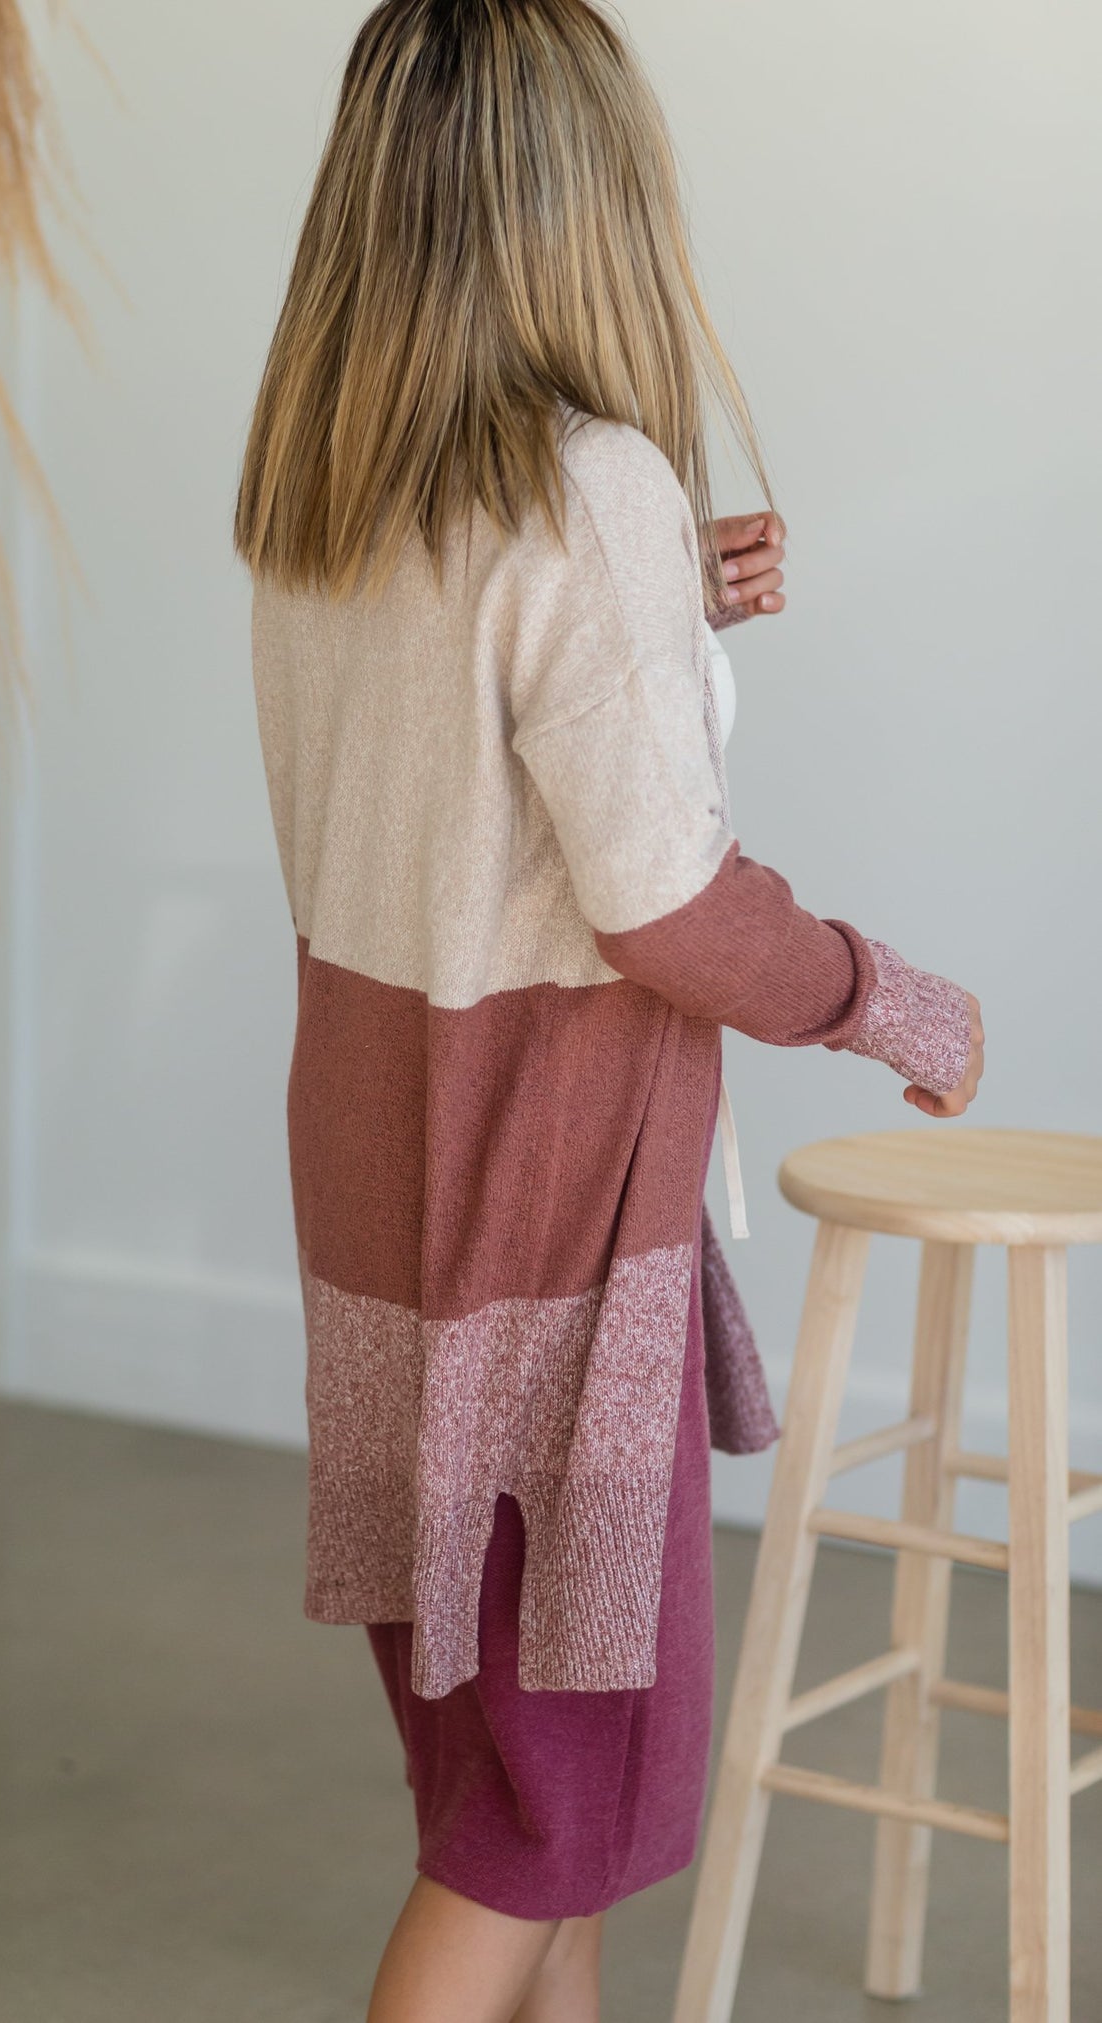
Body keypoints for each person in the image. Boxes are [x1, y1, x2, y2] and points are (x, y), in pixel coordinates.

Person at [234, 4, 985, 2019]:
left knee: (511, 1811)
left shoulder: (330, 495)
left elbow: (467, 785)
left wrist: (677, 617)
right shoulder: (588, 493)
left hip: (386, 1224)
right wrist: (884, 992)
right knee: (559, 1825)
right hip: (549, 1241)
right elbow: (658, 899)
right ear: (593, 209)